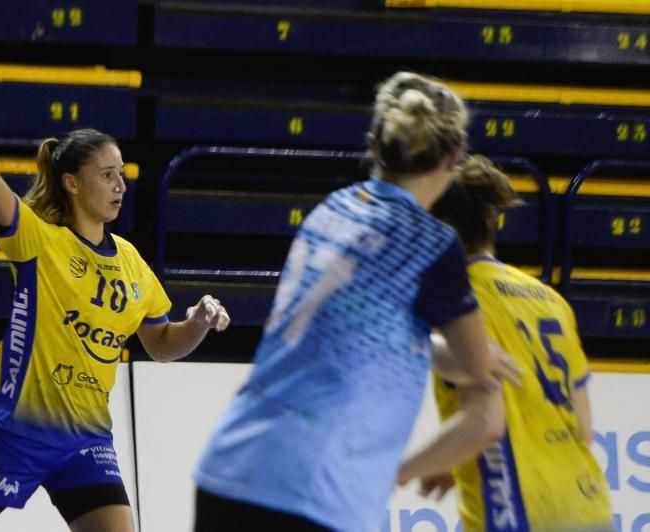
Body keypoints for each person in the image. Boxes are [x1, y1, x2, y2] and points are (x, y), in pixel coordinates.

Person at [0, 73, 230, 532]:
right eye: (107, 175)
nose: (120, 185)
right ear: (71, 182)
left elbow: (162, 346)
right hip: (14, 434)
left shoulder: (130, 262)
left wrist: (200, 322)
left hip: (86, 442)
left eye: (122, 174)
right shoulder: (37, 240)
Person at [193, 72, 507, 532]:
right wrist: (476, 359)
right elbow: (477, 369)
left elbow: (348, 327)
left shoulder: (331, 209)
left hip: (231, 467)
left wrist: (437, 351)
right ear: (455, 156)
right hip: (316, 489)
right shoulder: (431, 244)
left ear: (374, 145)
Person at [423, 154, 614, 531]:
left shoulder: (455, 301)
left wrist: (410, 468)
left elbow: (483, 423)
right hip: (589, 510)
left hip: (516, 514)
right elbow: (584, 429)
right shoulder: (548, 298)